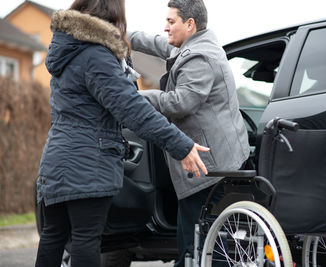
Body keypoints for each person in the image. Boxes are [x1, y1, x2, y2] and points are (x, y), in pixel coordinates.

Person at [35, 0, 210, 266]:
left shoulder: (69, 49)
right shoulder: (96, 55)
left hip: (57, 158)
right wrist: (180, 145)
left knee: (54, 235)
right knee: (85, 238)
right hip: (87, 160)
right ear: (114, 12)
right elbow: (131, 108)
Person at [128, 0, 250, 265]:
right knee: (197, 239)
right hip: (217, 159)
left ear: (190, 24)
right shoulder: (196, 44)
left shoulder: (199, 57)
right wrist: (124, 35)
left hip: (209, 167)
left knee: (198, 244)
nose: (166, 27)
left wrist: (133, 96)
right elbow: (161, 44)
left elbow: (181, 102)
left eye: (171, 22)